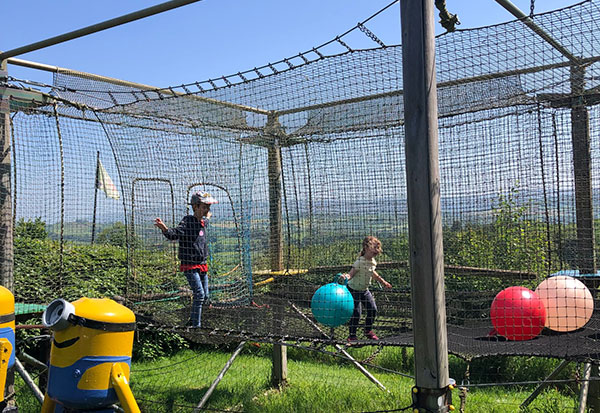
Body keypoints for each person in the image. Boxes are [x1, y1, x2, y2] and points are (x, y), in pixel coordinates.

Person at [154, 191, 218, 328]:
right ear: (195, 207)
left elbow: (206, 220)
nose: (207, 210)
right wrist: (164, 228)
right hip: (190, 265)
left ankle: (192, 320)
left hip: (202, 264)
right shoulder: (188, 221)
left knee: (205, 296)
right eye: (204, 207)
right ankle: (196, 326)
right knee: (199, 294)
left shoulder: (202, 222)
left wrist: (208, 216)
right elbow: (174, 234)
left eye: (208, 207)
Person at [340, 236, 392, 342]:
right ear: (366, 248)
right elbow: (351, 274)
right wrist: (346, 277)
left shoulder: (372, 261)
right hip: (353, 290)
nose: (376, 252)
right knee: (356, 313)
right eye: (374, 249)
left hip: (364, 290)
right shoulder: (360, 262)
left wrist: (383, 282)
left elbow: (372, 273)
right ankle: (352, 335)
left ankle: (368, 330)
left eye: (377, 250)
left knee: (373, 309)